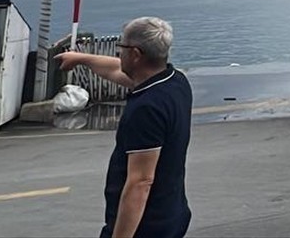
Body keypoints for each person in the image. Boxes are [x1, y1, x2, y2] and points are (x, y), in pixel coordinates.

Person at [56, 17, 192, 238]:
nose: (119, 53)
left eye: (122, 47)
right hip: (172, 213)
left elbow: (141, 182)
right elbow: (116, 71)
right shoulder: (176, 82)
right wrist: (81, 58)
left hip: (146, 226)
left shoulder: (146, 109)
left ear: (136, 54)